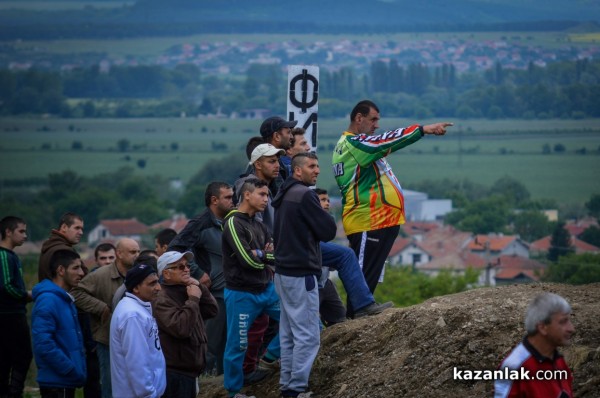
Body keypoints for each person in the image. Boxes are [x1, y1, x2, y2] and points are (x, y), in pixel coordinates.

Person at [332, 99, 452, 317]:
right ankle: (355, 316)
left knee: (371, 271)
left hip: (381, 219)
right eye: (373, 119)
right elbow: (386, 141)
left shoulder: (359, 146)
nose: (377, 125)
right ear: (359, 118)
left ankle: (363, 309)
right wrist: (423, 130)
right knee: (363, 272)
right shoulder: (354, 144)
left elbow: (384, 146)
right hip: (368, 219)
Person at [272, 153, 337, 398]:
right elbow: (328, 230)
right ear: (297, 171)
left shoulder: (283, 195)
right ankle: (297, 387)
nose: (317, 170)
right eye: (311, 166)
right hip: (301, 273)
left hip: (283, 273)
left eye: (318, 166)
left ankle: (287, 385)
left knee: (288, 333)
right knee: (309, 336)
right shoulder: (305, 195)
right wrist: (323, 214)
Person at [167, 181, 234, 376]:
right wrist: (197, 272)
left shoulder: (232, 220)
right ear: (214, 200)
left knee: (229, 344)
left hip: (232, 291)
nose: (233, 201)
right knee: (210, 344)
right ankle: (203, 385)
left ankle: (224, 386)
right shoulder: (200, 223)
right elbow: (175, 248)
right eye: (228, 197)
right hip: (213, 295)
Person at [222, 178, 280, 398]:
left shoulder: (259, 225)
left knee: (297, 321)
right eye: (262, 194)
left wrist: (264, 255)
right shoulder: (233, 223)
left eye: (267, 195)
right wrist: (265, 257)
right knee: (238, 345)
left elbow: (276, 255)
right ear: (246, 195)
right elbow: (249, 261)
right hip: (241, 294)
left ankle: (269, 357)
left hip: (267, 289)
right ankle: (233, 392)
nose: (266, 199)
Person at [72, 238, 140, 398]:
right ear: (119, 254)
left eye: (138, 251)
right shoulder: (100, 275)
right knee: (110, 385)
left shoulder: (139, 274)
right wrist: (100, 307)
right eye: (132, 252)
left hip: (135, 339)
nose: (136, 255)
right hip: (107, 339)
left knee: (134, 382)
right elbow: (75, 293)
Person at [153, 251, 218, 398]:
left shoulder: (187, 289)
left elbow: (212, 310)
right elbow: (181, 328)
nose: (187, 269)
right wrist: (193, 299)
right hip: (175, 372)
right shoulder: (162, 298)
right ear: (166, 274)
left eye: (187, 266)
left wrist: (200, 288)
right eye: (180, 267)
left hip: (190, 370)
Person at [494, 292, 575, 398]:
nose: (571, 329)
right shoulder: (514, 367)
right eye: (563, 322)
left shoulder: (559, 362)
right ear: (542, 327)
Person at [31, 250, 86, 398]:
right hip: (56, 383)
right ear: (61, 270)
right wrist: (69, 369)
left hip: (65, 381)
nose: (81, 273)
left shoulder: (64, 299)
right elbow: (43, 344)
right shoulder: (48, 300)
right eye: (75, 268)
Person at [110, 263, 166, 398]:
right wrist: (149, 394)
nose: (158, 288)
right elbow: (137, 363)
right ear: (135, 288)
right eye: (152, 284)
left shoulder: (138, 308)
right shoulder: (132, 315)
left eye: (158, 282)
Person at [0, 216, 33, 398]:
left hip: (13, 313)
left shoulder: (11, 255)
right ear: (8, 232)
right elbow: (6, 285)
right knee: (23, 355)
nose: (25, 236)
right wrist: (25, 295)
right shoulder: (4, 255)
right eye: (21, 231)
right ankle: (14, 393)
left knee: (7, 357)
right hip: (10, 314)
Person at [38, 212, 84, 281]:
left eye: (81, 229)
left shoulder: (50, 245)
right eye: (77, 228)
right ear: (64, 227)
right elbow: (83, 278)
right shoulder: (64, 251)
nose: (81, 232)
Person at [259, 116, 297, 194]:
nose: (292, 137)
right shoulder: (264, 164)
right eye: (288, 132)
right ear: (276, 136)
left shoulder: (279, 162)